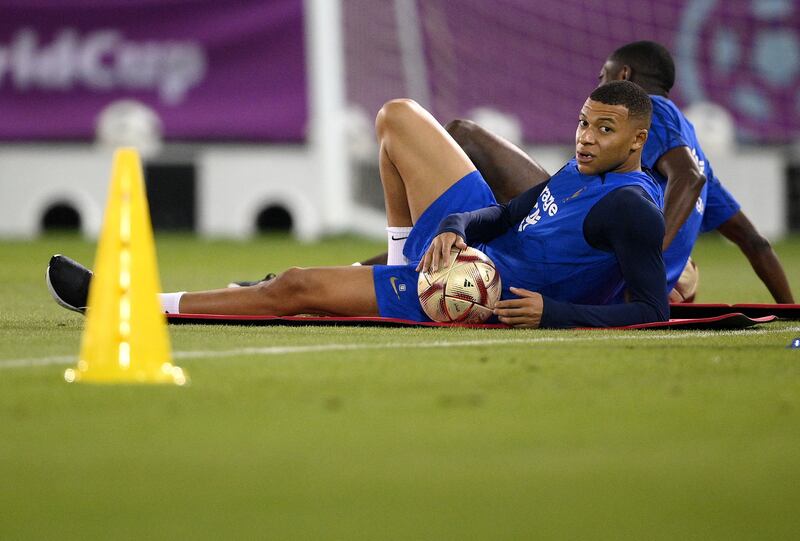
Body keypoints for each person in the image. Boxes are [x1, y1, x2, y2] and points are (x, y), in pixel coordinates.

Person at [47, 81, 668, 328]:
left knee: (291, 287)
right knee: (398, 116)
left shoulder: (631, 208)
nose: (586, 137)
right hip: (464, 250)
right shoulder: (580, 167)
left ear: (637, 140)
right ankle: (399, 259)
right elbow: (504, 215)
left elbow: (652, 310)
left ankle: (128, 304)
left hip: (470, 290)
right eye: (584, 123)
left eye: (603, 129)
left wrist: (551, 313)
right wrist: (454, 223)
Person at [446, 41, 794, 304]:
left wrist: (652, 256)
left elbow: (689, 177)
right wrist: (790, 312)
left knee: (465, 135)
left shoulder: (656, 111)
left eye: (603, 76)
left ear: (624, 75)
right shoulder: (697, 153)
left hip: (592, 252)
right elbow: (756, 242)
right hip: (621, 276)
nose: (598, 86)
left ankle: (429, 250)